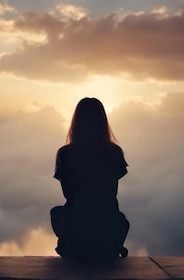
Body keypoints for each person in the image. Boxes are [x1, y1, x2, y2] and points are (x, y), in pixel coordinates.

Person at [50, 97, 129, 260]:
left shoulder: (65, 154)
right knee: (121, 220)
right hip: (107, 228)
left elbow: (68, 194)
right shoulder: (115, 153)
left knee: (56, 213)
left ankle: (66, 245)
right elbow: (112, 191)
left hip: (76, 228)